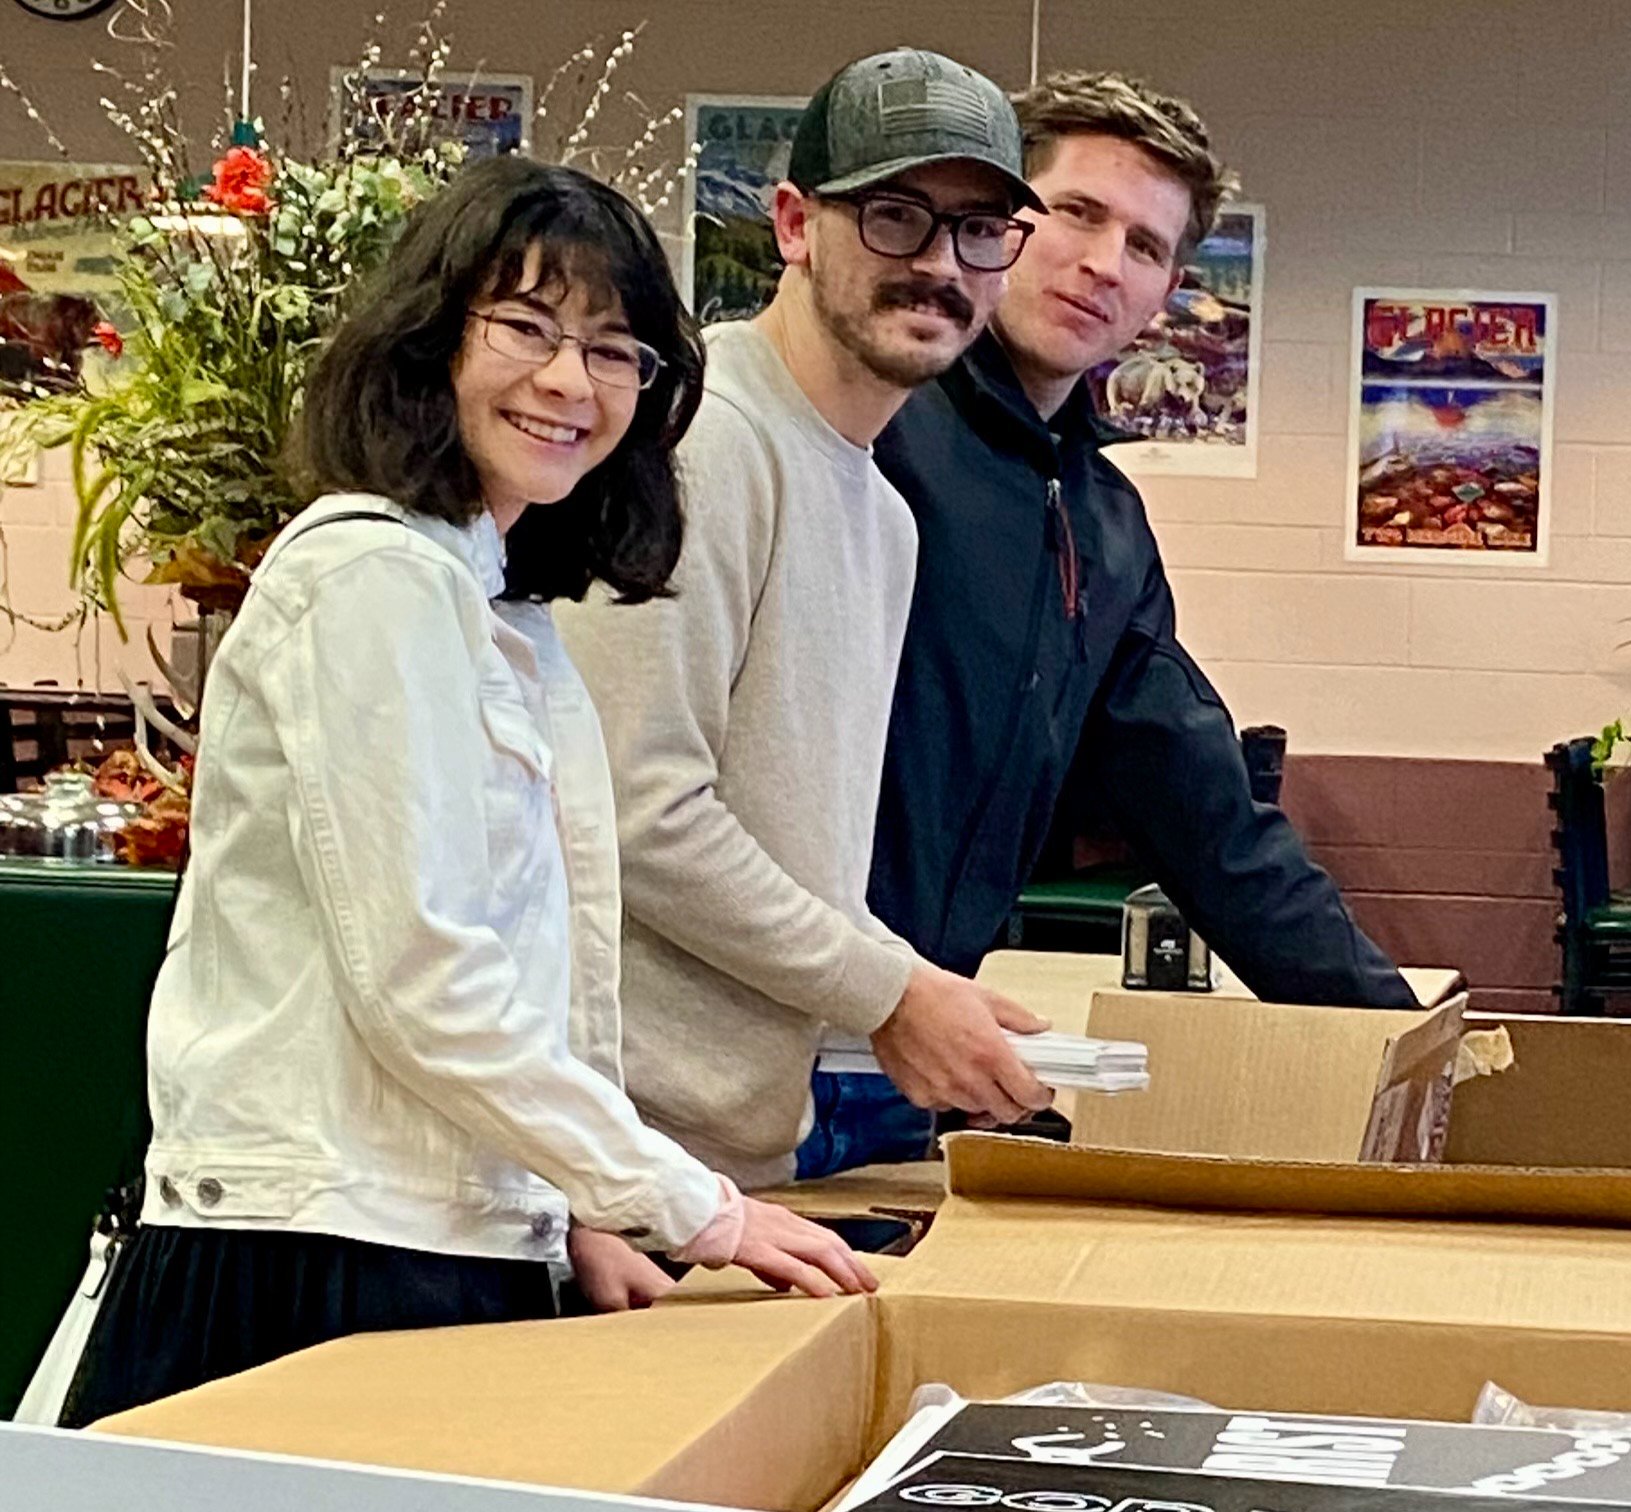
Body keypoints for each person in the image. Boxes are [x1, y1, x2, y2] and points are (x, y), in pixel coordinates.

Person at [59, 157, 878, 1428]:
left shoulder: (502, 608)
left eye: (613, 350)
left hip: (436, 1240)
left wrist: (574, 1208)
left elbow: (539, 977)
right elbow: (425, 979)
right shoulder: (371, 577)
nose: (569, 381)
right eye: (527, 327)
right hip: (312, 1256)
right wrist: (687, 1204)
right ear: (430, 339)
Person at [844, 71, 1412, 1173]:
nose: (1105, 264)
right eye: (1078, 213)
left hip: (907, 1064)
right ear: (999, 225)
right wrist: (873, 987)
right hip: (749, 1042)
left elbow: (1212, 824)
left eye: (1146, 246)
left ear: (1167, 293)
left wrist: (1402, 1040)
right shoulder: (871, 439)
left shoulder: (1102, 525)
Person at [558, 50, 1061, 1191]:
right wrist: (889, 991)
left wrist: (922, 994)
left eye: (980, 230)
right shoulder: (700, 443)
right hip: (611, 1160)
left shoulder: (885, 516)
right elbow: (634, 812)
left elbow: (800, 857)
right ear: (794, 224)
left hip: (740, 1156)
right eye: (895, 217)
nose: (940, 265)